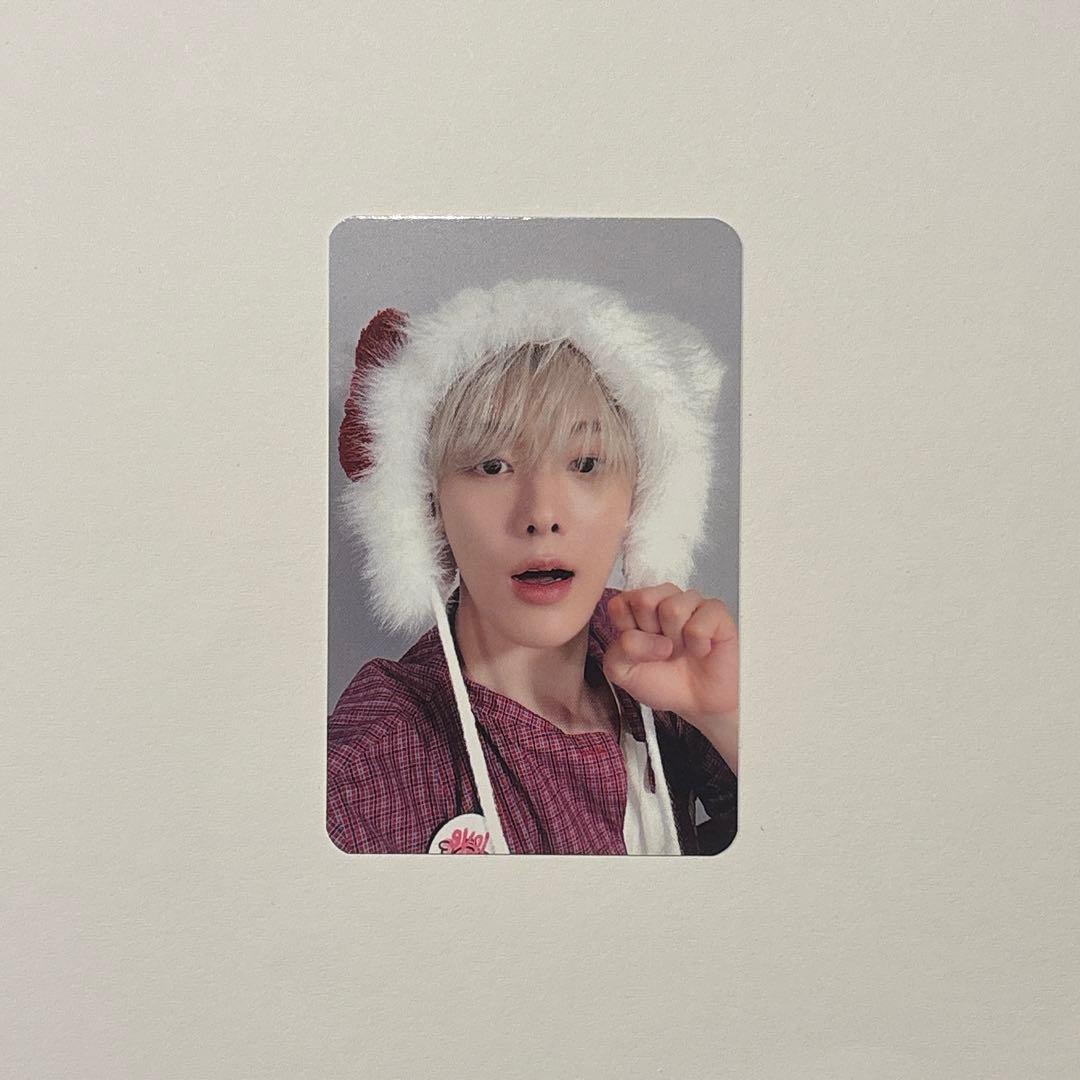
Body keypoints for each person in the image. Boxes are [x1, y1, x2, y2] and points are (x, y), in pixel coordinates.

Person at [328, 278, 738, 854]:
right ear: (428, 504)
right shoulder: (376, 765)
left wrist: (725, 716)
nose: (541, 515)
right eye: (492, 466)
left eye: (586, 463)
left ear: (641, 499)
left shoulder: (657, 664)